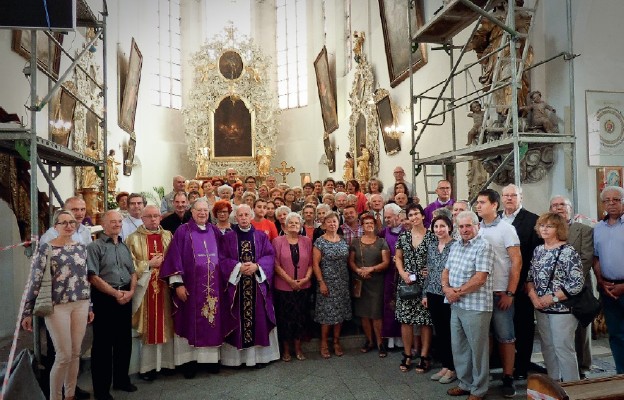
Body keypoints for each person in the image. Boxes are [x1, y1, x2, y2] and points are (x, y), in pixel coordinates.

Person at [22, 210, 93, 400]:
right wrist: (27, 311)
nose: (69, 226)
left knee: (76, 353)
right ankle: (55, 397)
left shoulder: (81, 247)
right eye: (64, 223)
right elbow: (35, 280)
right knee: (63, 355)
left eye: (72, 222)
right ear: (55, 227)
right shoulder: (46, 248)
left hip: (80, 303)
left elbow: (85, 278)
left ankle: (70, 395)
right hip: (57, 306)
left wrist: (90, 305)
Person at [159, 199, 226, 378]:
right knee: (189, 323)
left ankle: (210, 361)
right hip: (191, 288)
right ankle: (188, 362)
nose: (203, 213)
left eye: (205, 210)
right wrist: (178, 284)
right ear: (192, 211)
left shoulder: (215, 231)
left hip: (214, 289)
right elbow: (174, 258)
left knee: (212, 321)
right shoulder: (183, 231)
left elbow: (224, 256)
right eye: (199, 210)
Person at [219, 204, 280, 367]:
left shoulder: (260, 236)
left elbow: (269, 255)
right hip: (238, 287)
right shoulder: (228, 238)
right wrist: (238, 267)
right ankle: (238, 360)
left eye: (247, 214)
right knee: (239, 320)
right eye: (240, 215)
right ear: (235, 218)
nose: (244, 218)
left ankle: (258, 358)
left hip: (257, 287)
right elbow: (222, 259)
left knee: (258, 320)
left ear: (251, 216)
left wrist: (257, 267)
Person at [442, 211, 494, 400]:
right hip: (456, 304)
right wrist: (446, 288)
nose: (464, 230)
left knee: (478, 350)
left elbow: (480, 278)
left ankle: (479, 390)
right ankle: (465, 383)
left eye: (468, 226)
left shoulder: (483, 246)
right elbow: (446, 270)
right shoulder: (455, 245)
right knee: (460, 347)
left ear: (476, 226)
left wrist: (456, 292)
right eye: (461, 226)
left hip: (476, 307)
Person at [527, 212, 584, 382]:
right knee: (548, 348)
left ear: (558, 229)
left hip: (562, 309)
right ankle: (553, 386)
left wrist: (552, 298)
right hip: (541, 308)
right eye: (542, 225)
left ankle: (573, 388)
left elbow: (577, 282)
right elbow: (529, 277)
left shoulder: (568, 251)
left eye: (549, 226)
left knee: (563, 348)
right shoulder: (538, 250)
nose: (544, 229)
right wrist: (533, 297)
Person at [87, 210, 137, 399]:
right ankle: (101, 390)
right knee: (103, 346)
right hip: (105, 299)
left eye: (119, 221)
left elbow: (132, 271)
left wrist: (130, 292)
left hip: (125, 295)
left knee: (124, 341)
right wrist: (116, 293)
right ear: (103, 224)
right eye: (113, 222)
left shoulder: (123, 246)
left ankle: (121, 380)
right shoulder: (94, 246)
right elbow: (92, 276)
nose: (117, 224)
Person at [475, 188, 521, 397]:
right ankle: (484, 376)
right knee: (485, 336)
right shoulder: (477, 229)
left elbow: (516, 262)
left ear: (494, 205)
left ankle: (508, 377)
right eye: (477, 202)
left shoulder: (506, 229)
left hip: (500, 291)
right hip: (480, 292)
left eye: (482, 202)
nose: (478, 206)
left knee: (506, 337)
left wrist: (510, 293)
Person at [500, 184, 544, 380]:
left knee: (523, 325)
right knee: (503, 326)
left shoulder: (532, 220)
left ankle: (522, 367)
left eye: (513, 195)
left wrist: (529, 281)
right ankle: (504, 364)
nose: (509, 198)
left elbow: (536, 255)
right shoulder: (497, 219)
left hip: (523, 283)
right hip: (500, 282)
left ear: (521, 197)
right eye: (506, 195)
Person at [125, 205, 174, 381]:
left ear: (160, 218)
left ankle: (166, 363)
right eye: (149, 216)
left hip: (165, 288)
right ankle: (148, 367)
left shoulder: (168, 235)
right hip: (144, 289)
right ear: (142, 219)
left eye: (156, 216)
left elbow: (175, 258)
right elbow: (129, 264)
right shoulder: (132, 239)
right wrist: (148, 264)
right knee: (149, 325)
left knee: (166, 323)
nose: (153, 219)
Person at [550, 195, 594, 377]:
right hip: (553, 290)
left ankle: (583, 367)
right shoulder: (547, 230)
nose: (559, 207)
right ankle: (561, 368)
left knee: (581, 329)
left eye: (563, 204)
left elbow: (586, 258)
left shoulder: (583, 230)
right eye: (555, 205)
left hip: (579, 287)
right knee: (559, 332)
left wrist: (569, 283)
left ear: (570, 208)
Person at [395, 203, 435, 373]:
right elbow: (398, 258)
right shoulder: (403, 237)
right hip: (407, 283)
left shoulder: (432, 236)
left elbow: (438, 257)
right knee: (406, 320)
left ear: (423, 216)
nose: (413, 217)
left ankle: (424, 356)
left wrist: (430, 270)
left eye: (416, 214)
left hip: (425, 283)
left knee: (425, 321)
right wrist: (403, 273)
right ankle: (407, 354)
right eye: (410, 215)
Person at [272, 212, 313, 361]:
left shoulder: (307, 241)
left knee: (300, 318)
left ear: (301, 226)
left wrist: (306, 279)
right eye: (291, 223)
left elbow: (310, 263)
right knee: (285, 319)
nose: (294, 226)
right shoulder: (277, 241)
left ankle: (298, 348)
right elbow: (275, 264)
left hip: (303, 286)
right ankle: (286, 350)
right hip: (284, 287)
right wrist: (289, 280)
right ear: (285, 225)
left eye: (296, 223)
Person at [593, 186, 624, 374]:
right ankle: (621, 374)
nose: (611, 204)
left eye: (616, 199)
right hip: (608, 288)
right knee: (616, 334)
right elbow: (596, 258)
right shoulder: (598, 228)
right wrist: (601, 281)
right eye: (607, 200)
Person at [349, 214, 390, 357]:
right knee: (364, 314)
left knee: (376, 313)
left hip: (376, 282)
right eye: (366, 223)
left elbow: (386, 262)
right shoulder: (355, 242)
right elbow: (351, 262)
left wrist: (371, 269)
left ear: (375, 225)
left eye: (371, 223)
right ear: (362, 226)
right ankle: (369, 341)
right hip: (361, 282)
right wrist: (359, 271)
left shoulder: (381, 242)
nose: (369, 225)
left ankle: (380, 343)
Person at [313, 212, 352, 359]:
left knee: (340, 314)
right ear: (324, 224)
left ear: (338, 223)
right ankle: (324, 344)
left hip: (342, 282)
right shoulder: (320, 242)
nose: (332, 224)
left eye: (334, 221)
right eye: (329, 222)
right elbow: (315, 265)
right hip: (326, 282)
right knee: (326, 315)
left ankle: (336, 342)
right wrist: (321, 282)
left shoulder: (342, 241)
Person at [424, 215, 457, 384]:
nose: (439, 230)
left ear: (450, 227)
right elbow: (428, 271)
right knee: (441, 331)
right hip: (433, 293)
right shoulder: (431, 246)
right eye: (436, 227)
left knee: (452, 332)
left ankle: (453, 368)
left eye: (442, 226)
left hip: (449, 294)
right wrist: (424, 293)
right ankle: (445, 365)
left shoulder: (456, 245)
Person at [378, 203, 404, 349]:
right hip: (389, 273)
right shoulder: (384, 232)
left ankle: (403, 338)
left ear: (397, 216)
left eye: (389, 217)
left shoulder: (406, 231)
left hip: (404, 273)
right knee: (389, 305)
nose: (387, 220)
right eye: (385, 217)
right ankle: (391, 339)